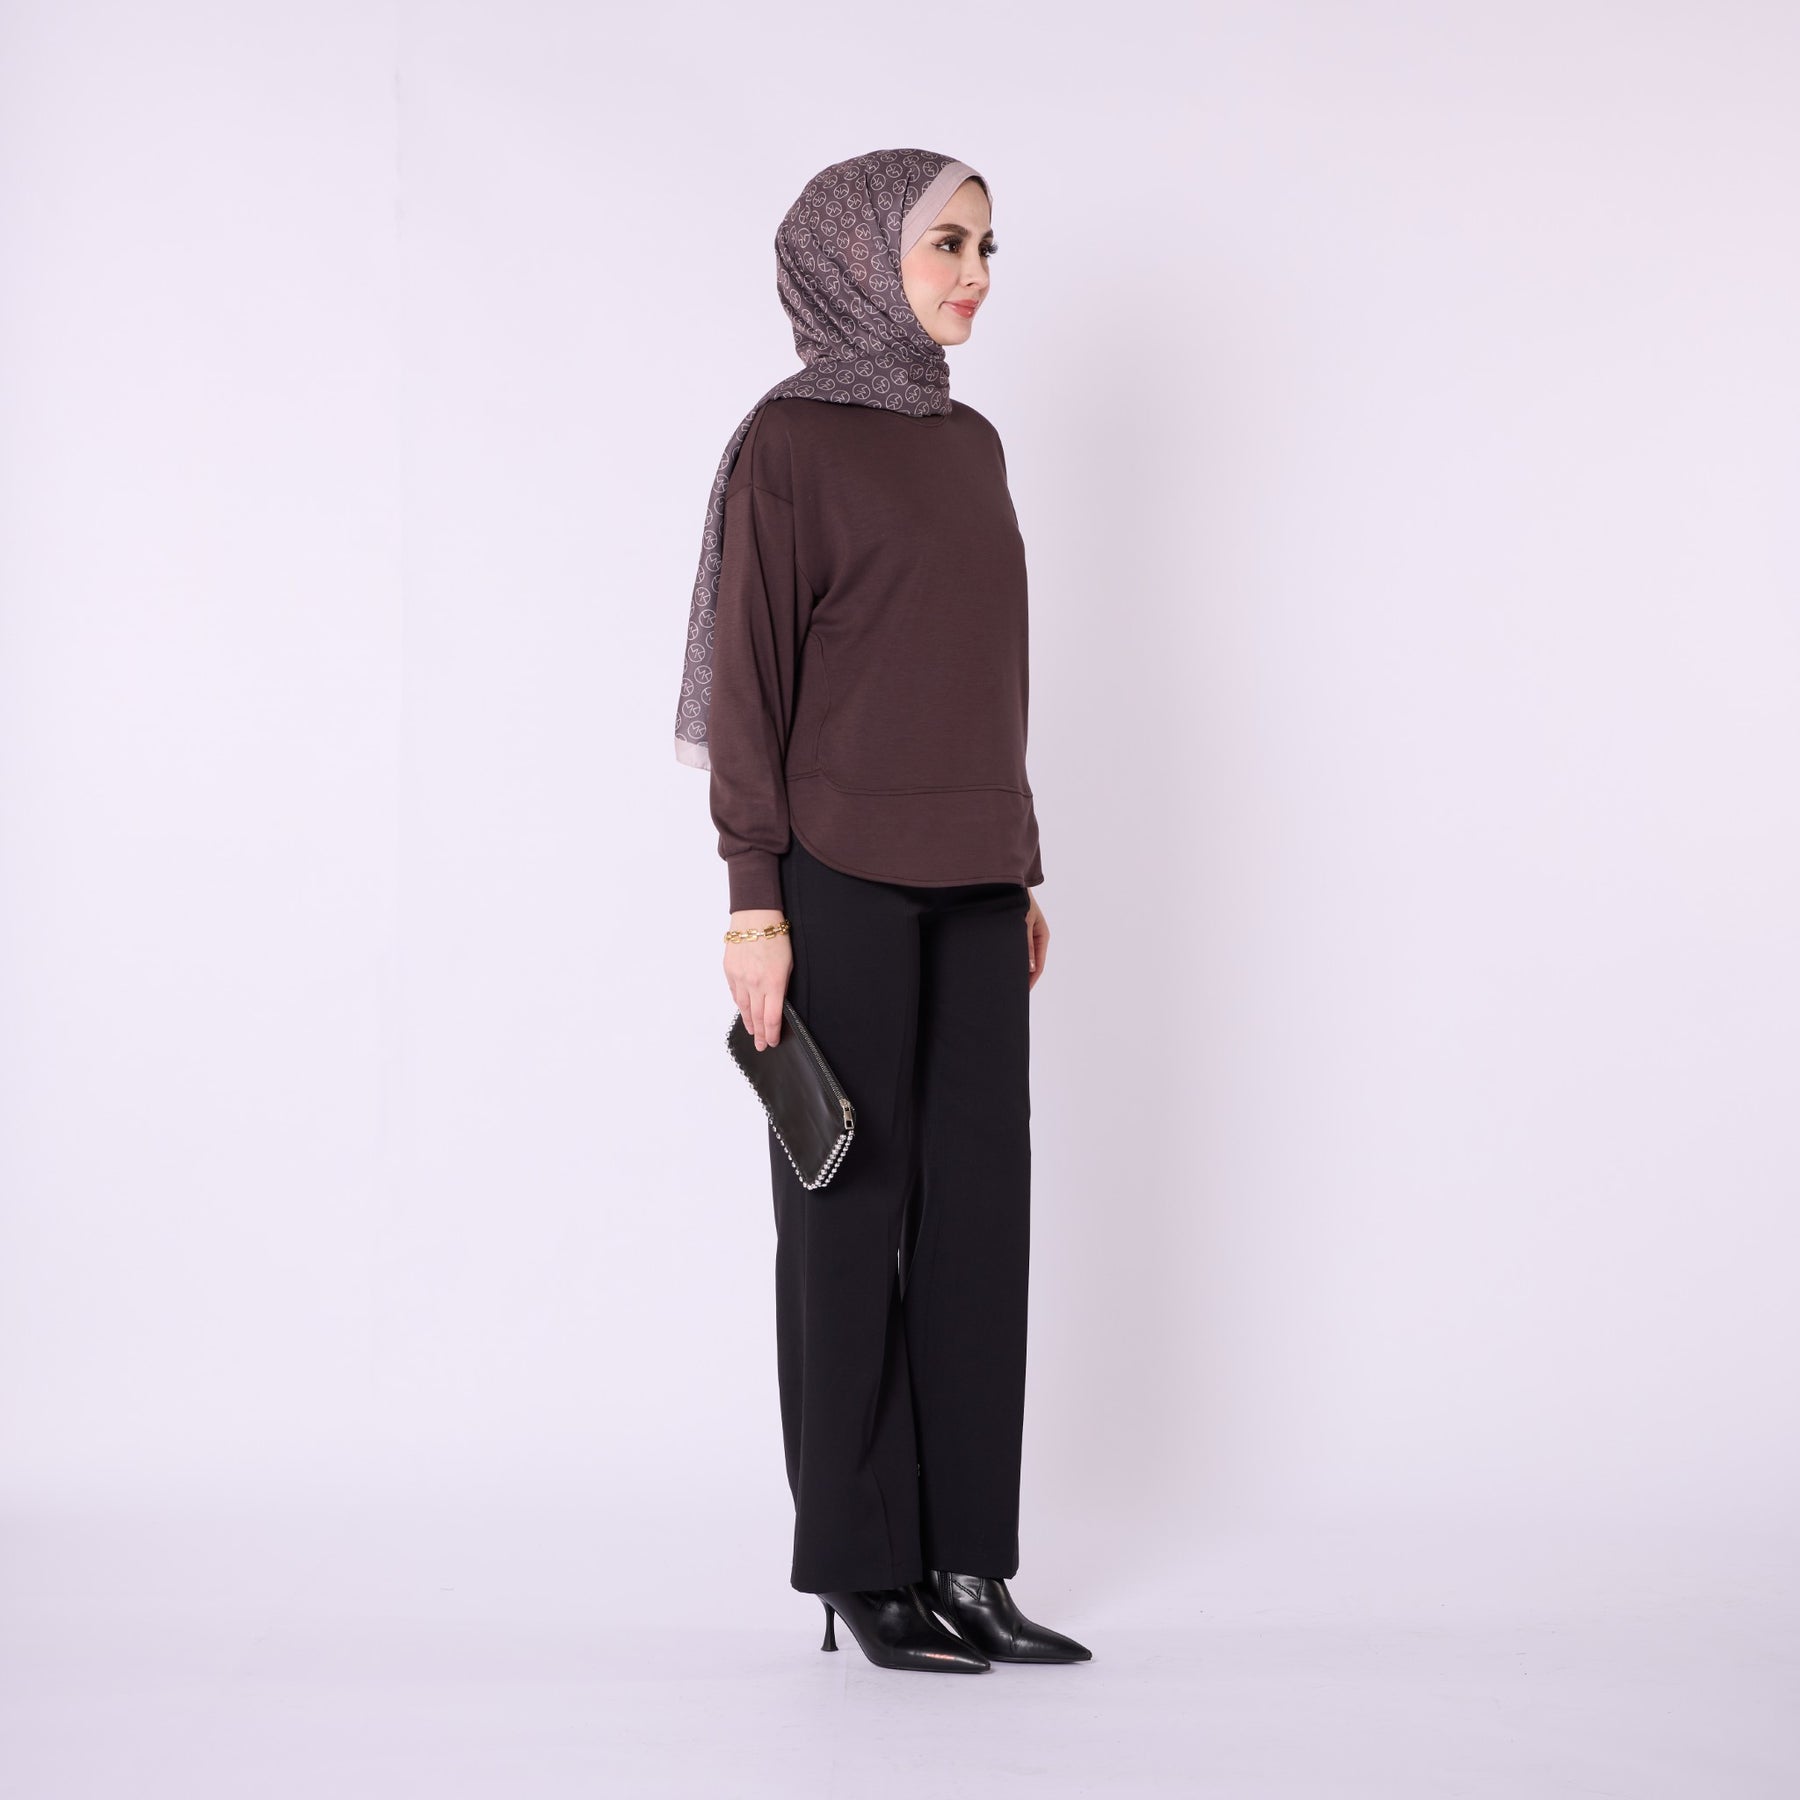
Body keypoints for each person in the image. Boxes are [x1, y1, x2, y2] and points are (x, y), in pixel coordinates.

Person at [672, 149, 1091, 1674]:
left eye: (986, 247)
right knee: (847, 1214)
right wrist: (753, 901)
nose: (973, 273)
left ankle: (969, 1559)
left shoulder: (972, 443)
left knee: (983, 1222)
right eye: (945, 244)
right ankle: (862, 1568)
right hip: (835, 872)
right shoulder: (789, 445)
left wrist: (1018, 861)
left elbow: (988, 675)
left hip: (976, 877)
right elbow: (751, 686)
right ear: (858, 257)